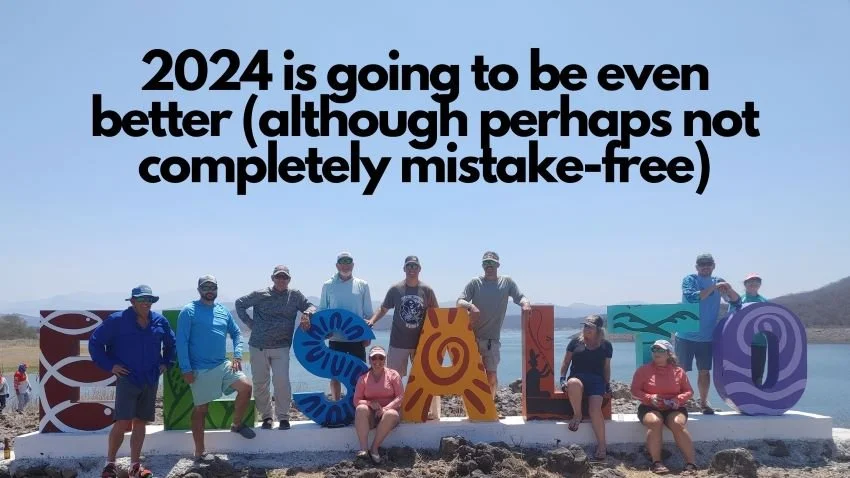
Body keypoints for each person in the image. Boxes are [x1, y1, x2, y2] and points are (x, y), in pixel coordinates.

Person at [89, 285, 176, 478]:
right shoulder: (117, 320)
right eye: (142, 299)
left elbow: (171, 344)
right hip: (127, 378)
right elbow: (95, 342)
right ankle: (110, 464)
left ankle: (135, 466)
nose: (146, 303)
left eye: (149, 299)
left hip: (150, 378)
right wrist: (110, 365)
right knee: (122, 422)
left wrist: (166, 363)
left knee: (141, 422)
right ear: (133, 301)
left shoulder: (160, 321)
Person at [177, 274, 256, 459]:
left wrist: (237, 355)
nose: (209, 291)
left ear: (217, 289)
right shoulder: (188, 311)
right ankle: (199, 451)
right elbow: (181, 341)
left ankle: (236, 424)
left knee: (246, 387)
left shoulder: (223, 310)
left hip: (222, 364)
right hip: (200, 369)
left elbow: (237, 334)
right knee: (201, 410)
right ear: (199, 290)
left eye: (212, 287)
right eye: (205, 287)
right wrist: (186, 369)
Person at [235, 265, 316, 430]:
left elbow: (311, 306)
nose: (281, 280)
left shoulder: (295, 295)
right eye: (278, 277)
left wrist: (307, 314)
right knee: (260, 383)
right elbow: (240, 303)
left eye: (284, 277)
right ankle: (267, 417)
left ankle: (283, 416)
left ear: (289, 279)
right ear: (272, 278)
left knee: (282, 382)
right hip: (258, 346)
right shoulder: (260, 294)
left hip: (281, 346)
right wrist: (250, 324)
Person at [366, 255, 441, 420]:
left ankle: (431, 412)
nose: (412, 269)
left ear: (419, 269)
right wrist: (372, 321)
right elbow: (383, 308)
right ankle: (393, 412)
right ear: (404, 269)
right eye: (409, 266)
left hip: (421, 343)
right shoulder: (395, 289)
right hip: (398, 342)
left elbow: (436, 314)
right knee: (393, 379)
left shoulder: (427, 290)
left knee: (428, 376)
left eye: (415, 266)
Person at [456, 251, 531, 400]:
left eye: (491, 263)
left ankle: (489, 405)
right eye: (485, 263)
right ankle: (472, 406)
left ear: (498, 265)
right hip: (471, 338)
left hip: (492, 340)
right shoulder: (475, 283)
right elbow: (459, 302)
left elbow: (520, 297)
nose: (488, 266)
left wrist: (526, 304)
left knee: (491, 375)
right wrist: (471, 306)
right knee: (470, 376)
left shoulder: (506, 282)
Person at [676, 253, 741, 414]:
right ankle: (678, 403)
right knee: (680, 371)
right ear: (696, 267)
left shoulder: (719, 281)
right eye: (702, 264)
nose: (705, 267)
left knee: (704, 372)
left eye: (708, 264)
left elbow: (736, 301)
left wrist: (729, 288)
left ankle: (704, 403)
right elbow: (693, 298)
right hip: (685, 336)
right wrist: (714, 288)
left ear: (714, 266)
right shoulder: (690, 280)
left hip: (707, 337)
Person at [630, 339, 697, 476]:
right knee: (655, 422)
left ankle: (691, 463)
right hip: (649, 407)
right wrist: (650, 398)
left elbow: (689, 391)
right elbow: (634, 391)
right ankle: (657, 462)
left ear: (668, 353)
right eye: (654, 349)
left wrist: (678, 399)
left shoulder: (679, 371)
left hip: (674, 408)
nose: (656, 352)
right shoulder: (643, 371)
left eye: (660, 350)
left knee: (677, 424)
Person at [319, 252, 374, 401]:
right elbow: (322, 310)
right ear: (337, 266)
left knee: (359, 375)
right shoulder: (328, 285)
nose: (345, 266)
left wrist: (367, 335)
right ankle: (336, 402)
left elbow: (368, 313)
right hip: (336, 339)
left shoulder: (362, 285)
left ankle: (358, 405)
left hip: (357, 339)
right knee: (335, 375)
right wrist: (324, 332)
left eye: (348, 262)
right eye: (342, 263)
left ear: (353, 265)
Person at [558, 314, 612, 461]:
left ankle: (602, 445)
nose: (586, 328)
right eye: (585, 326)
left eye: (590, 327)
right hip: (578, 378)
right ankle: (577, 415)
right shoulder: (575, 342)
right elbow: (566, 362)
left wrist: (607, 384)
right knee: (573, 383)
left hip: (596, 381)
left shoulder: (606, 345)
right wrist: (562, 379)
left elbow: (606, 367)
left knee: (595, 410)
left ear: (598, 329)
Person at [353, 345, 404, 464]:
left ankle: (374, 448)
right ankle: (364, 449)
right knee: (361, 408)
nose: (377, 361)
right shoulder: (363, 378)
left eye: (381, 358)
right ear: (369, 360)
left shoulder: (393, 375)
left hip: (389, 417)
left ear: (385, 359)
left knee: (391, 414)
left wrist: (385, 409)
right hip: (372, 417)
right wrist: (369, 403)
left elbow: (400, 396)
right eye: (374, 358)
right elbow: (356, 400)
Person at [738, 273, 769, 385]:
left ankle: (757, 395)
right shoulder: (739, 300)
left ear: (760, 284)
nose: (753, 283)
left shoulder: (764, 301)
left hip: (760, 343)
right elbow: (730, 319)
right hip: (741, 343)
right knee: (742, 375)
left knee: (758, 376)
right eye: (750, 281)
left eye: (756, 281)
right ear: (745, 284)